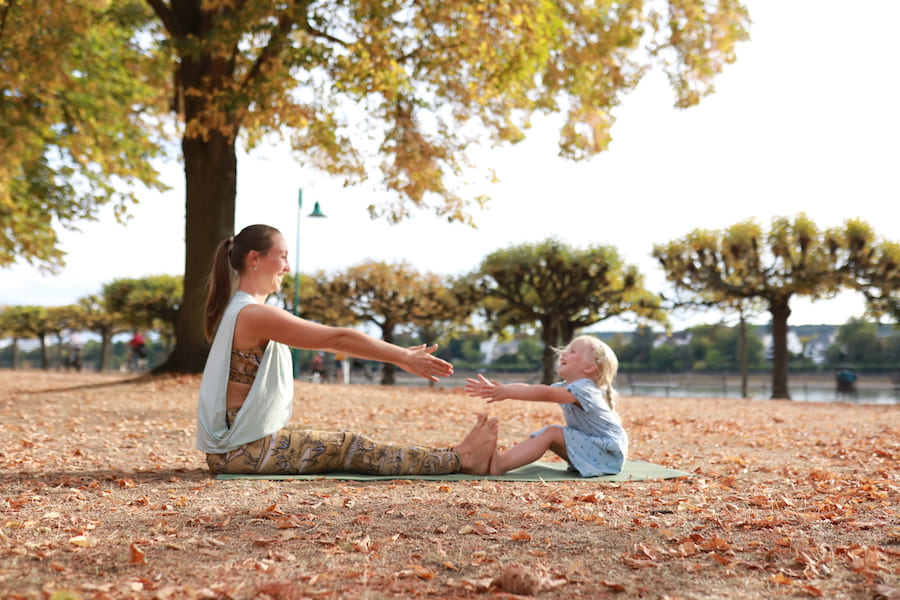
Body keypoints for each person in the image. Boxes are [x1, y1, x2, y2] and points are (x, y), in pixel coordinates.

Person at [197, 224, 497, 476]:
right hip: (239, 452)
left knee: (334, 438)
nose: (288, 267)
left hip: (234, 448)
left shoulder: (240, 309)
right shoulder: (253, 314)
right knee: (350, 445)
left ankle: (455, 455)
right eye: (283, 257)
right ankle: (461, 459)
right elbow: (337, 340)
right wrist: (402, 356)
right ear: (255, 259)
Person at [465, 335, 627, 477]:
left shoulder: (584, 388)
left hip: (606, 452)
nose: (564, 354)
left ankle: (501, 463)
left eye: (572, 352)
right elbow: (528, 388)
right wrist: (499, 390)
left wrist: (505, 392)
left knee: (552, 433)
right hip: (600, 450)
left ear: (589, 367)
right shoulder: (570, 386)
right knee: (551, 434)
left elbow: (546, 393)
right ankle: (499, 461)